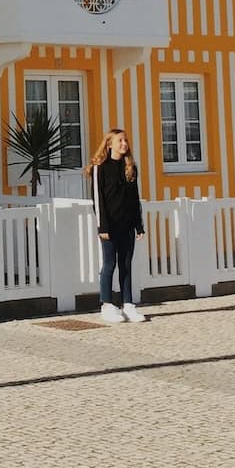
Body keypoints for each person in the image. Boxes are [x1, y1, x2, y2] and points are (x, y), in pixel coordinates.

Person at [89, 127, 148, 324]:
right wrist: (102, 227)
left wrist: (138, 226)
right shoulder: (100, 167)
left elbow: (134, 198)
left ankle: (128, 304)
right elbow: (98, 199)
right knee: (109, 265)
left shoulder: (130, 167)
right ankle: (106, 304)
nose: (124, 144)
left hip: (127, 225)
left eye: (126, 140)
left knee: (126, 265)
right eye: (120, 140)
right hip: (109, 226)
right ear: (109, 144)